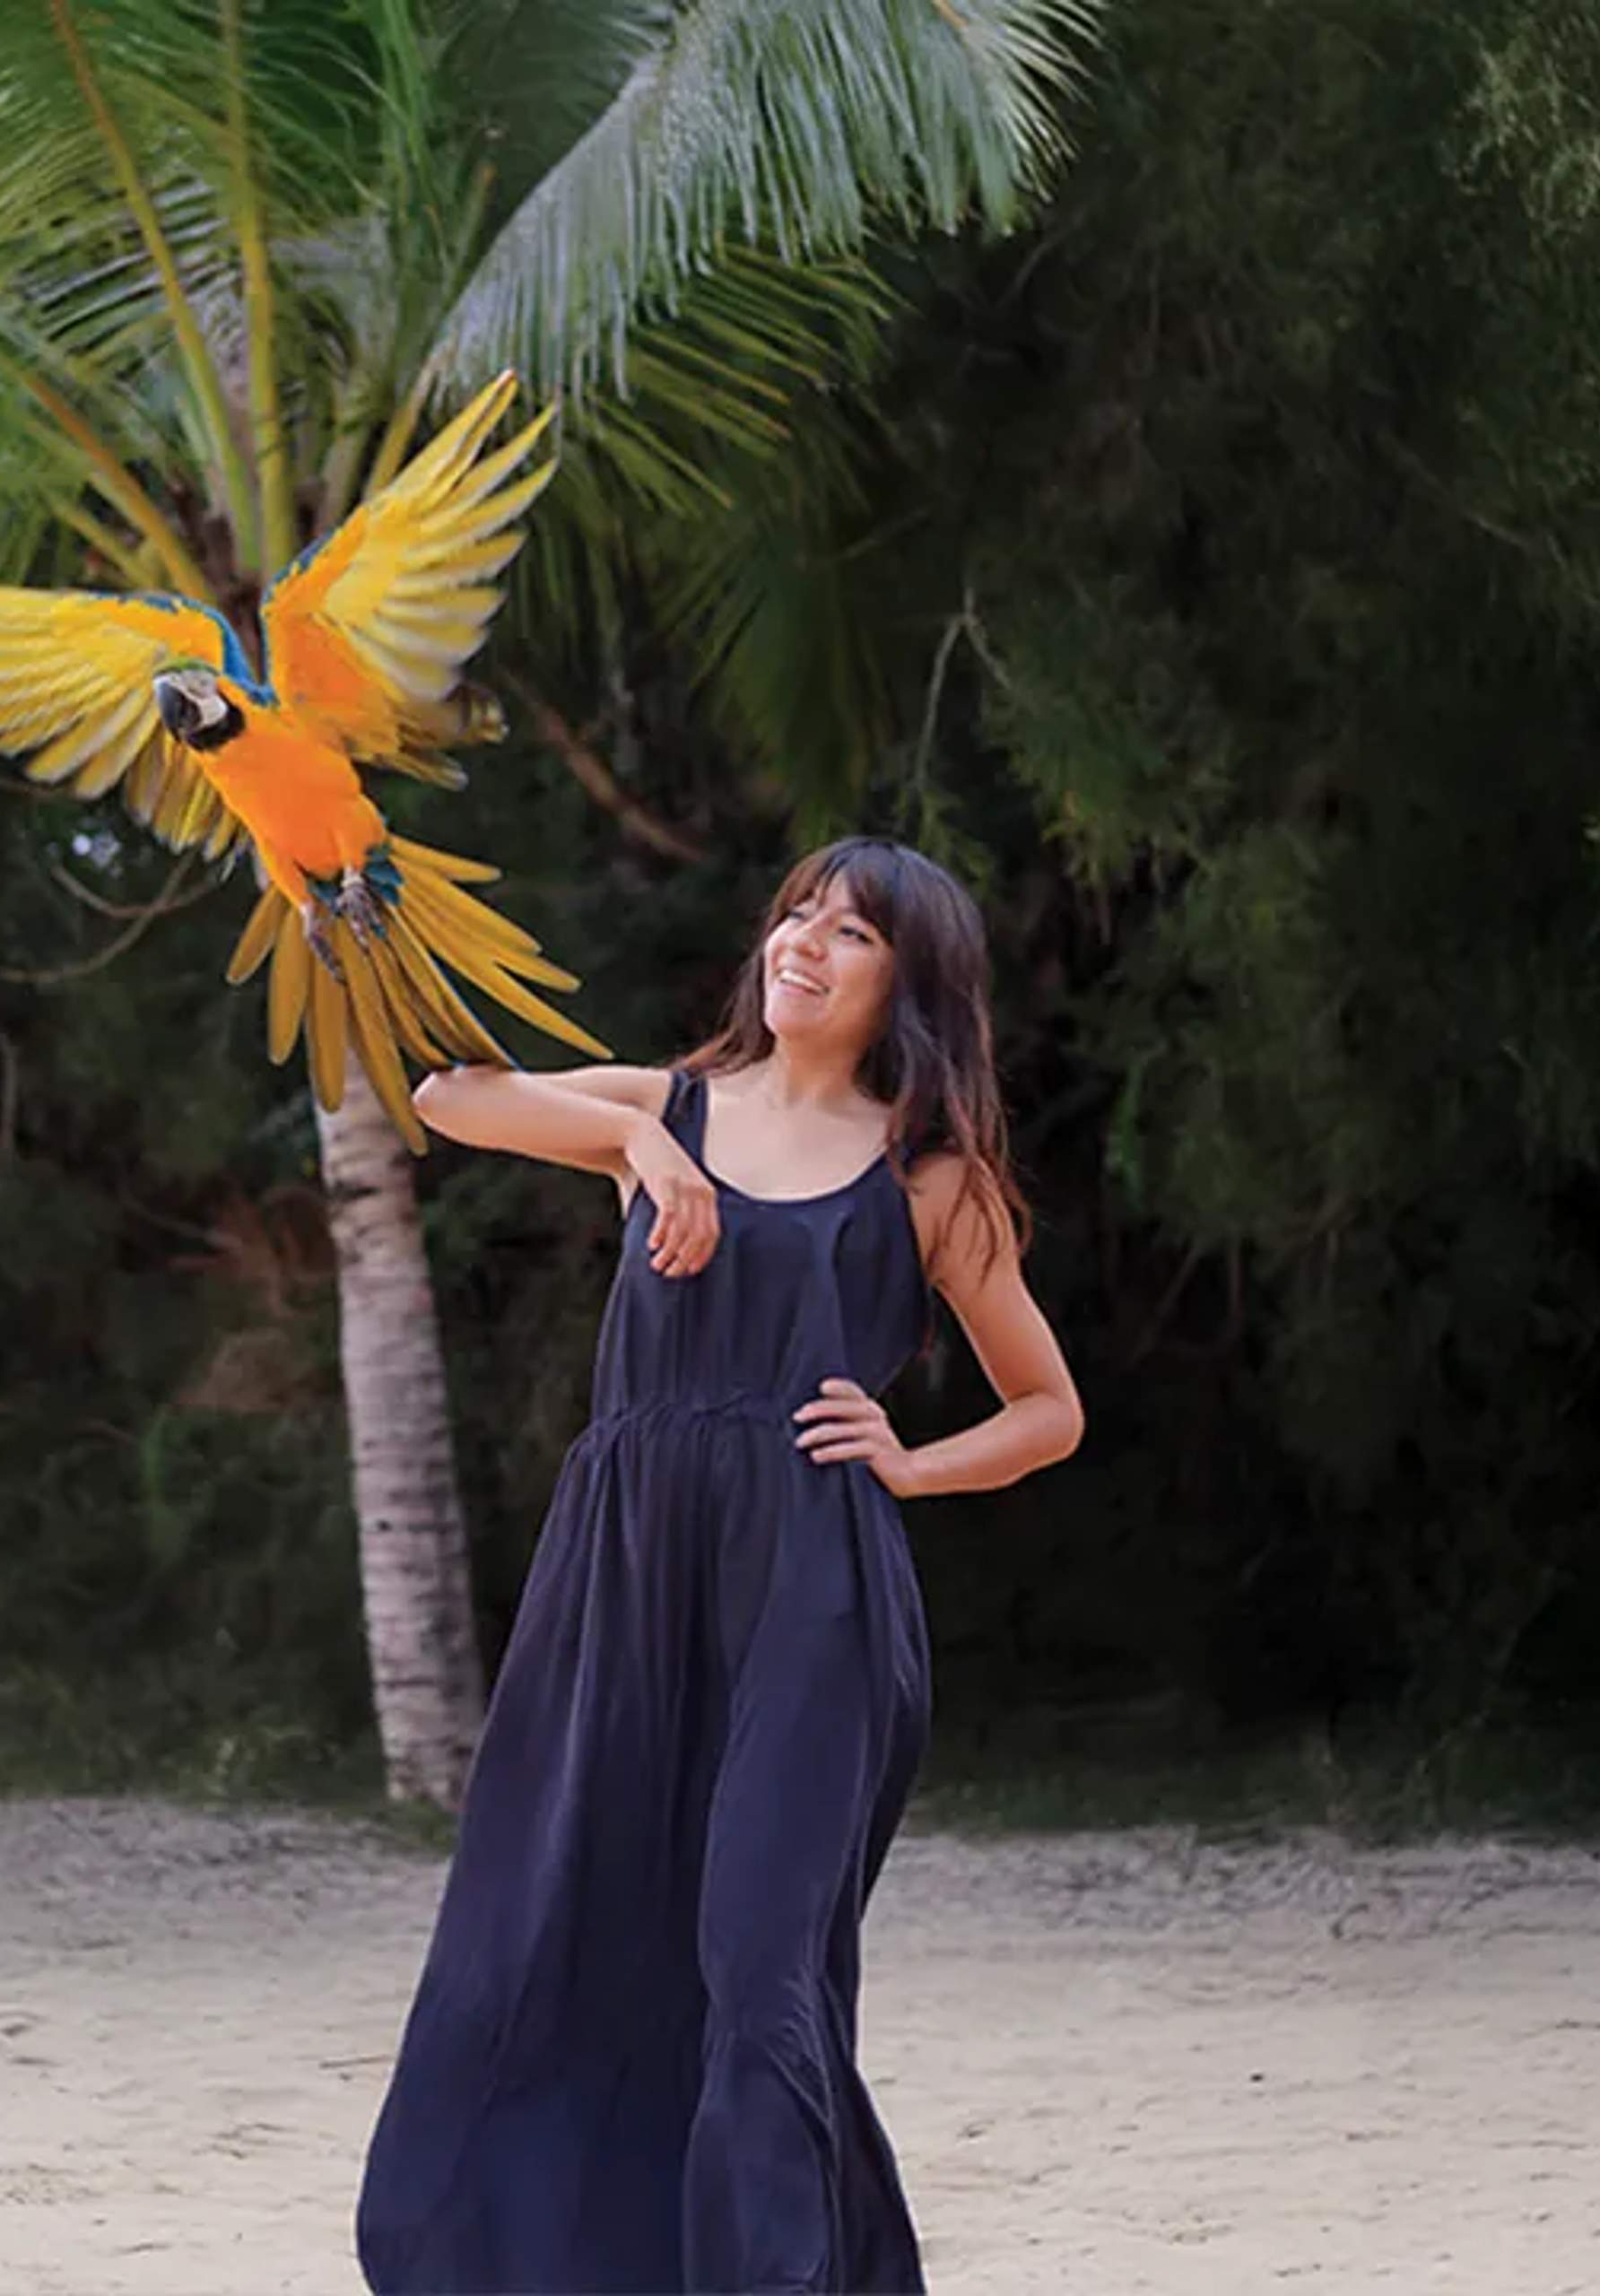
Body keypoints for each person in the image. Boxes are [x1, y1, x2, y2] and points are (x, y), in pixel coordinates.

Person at [354, 837, 1085, 2293]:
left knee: (761, 1975)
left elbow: (1049, 1411)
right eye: (798, 913)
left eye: (854, 932)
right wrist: (634, 1143)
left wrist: (909, 1460)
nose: (807, 940)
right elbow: (446, 1093)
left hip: (814, 1599)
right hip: (621, 1587)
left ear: (910, 986)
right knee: (567, 1936)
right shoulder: (668, 1105)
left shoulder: (929, 1180)